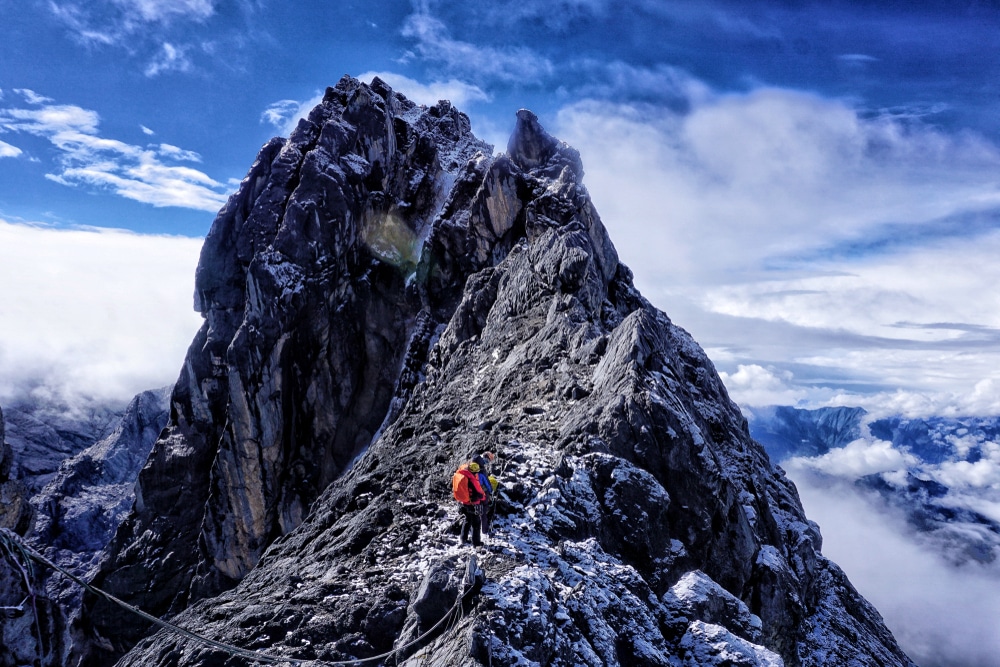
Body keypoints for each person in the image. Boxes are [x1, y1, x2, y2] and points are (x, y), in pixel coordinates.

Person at [452, 461, 486, 546]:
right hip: (473, 504)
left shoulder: (462, 474)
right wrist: (483, 497)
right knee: (476, 523)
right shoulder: (472, 479)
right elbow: (480, 494)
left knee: (467, 520)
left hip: (464, 502)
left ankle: (463, 538)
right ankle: (476, 543)